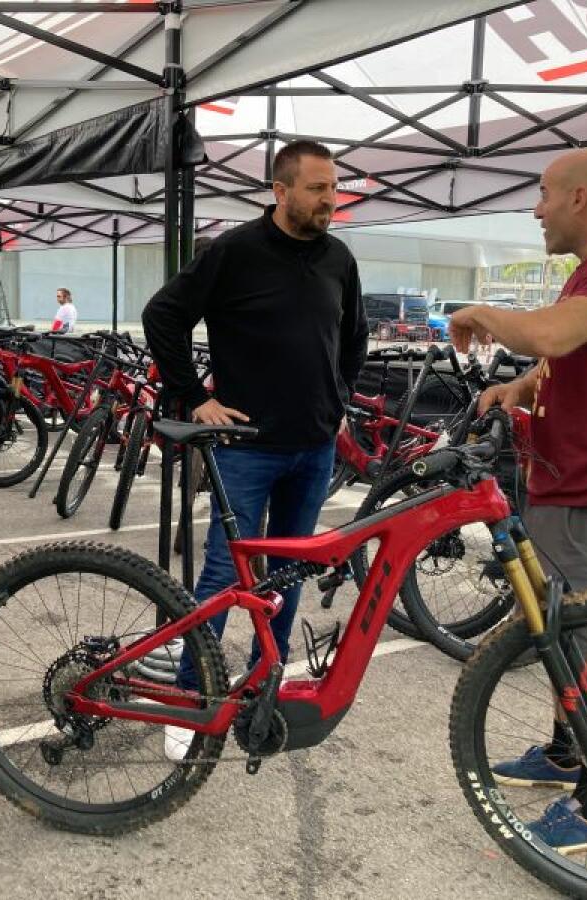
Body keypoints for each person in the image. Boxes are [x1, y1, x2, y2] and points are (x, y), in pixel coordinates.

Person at [447, 147, 587, 855]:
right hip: (561, 483)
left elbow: (552, 331)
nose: (536, 208)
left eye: (544, 194)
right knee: (556, 631)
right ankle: (562, 752)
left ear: (581, 197)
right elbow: (565, 352)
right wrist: (523, 387)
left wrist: (482, 312)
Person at [142, 139, 368, 761]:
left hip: (313, 447)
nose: (331, 199)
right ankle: (193, 696)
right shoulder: (234, 253)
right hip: (245, 447)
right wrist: (192, 397)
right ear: (281, 190)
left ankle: (265, 674)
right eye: (319, 188)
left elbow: (354, 339)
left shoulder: (338, 258)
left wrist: (338, 399)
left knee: (290, 574)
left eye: (334, 187)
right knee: (222, 575)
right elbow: (163, 315)